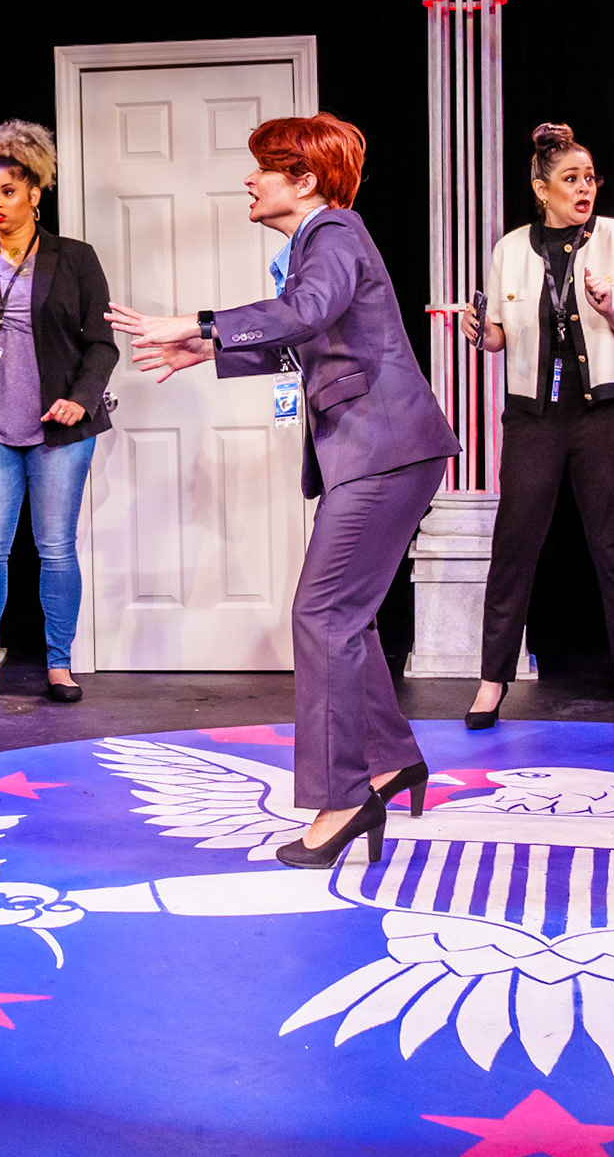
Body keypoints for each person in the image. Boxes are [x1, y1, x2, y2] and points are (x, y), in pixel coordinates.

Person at [107, 113, 458, 868]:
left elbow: (304, 314)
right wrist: (207, 352)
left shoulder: (333, 232)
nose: (249, 179)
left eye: (263, 167)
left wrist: (194, 321)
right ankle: (391, 760)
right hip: (384, 449)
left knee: (322, 613)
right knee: (345, 615)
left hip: (384, 448)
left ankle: (344, 799)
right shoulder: (321, 241)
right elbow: (317, 337)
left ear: (304, 179)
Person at [461, 122, 614, 732]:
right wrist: (479, 332)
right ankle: (492, 679)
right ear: (541, 188)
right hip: (534, 417)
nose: (585, 188)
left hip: (600, 415)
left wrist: (610, 310)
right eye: (571, 179)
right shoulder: (510, 249)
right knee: (514, 547)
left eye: (590, 178)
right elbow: (499, 338)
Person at [0, 121, 117, 704]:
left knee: (55, 547)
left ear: (35, 193)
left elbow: (102, 345)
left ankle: (60, 665)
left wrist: (80, 398)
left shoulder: (74, 259)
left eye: (8, 192)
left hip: (57, 431)